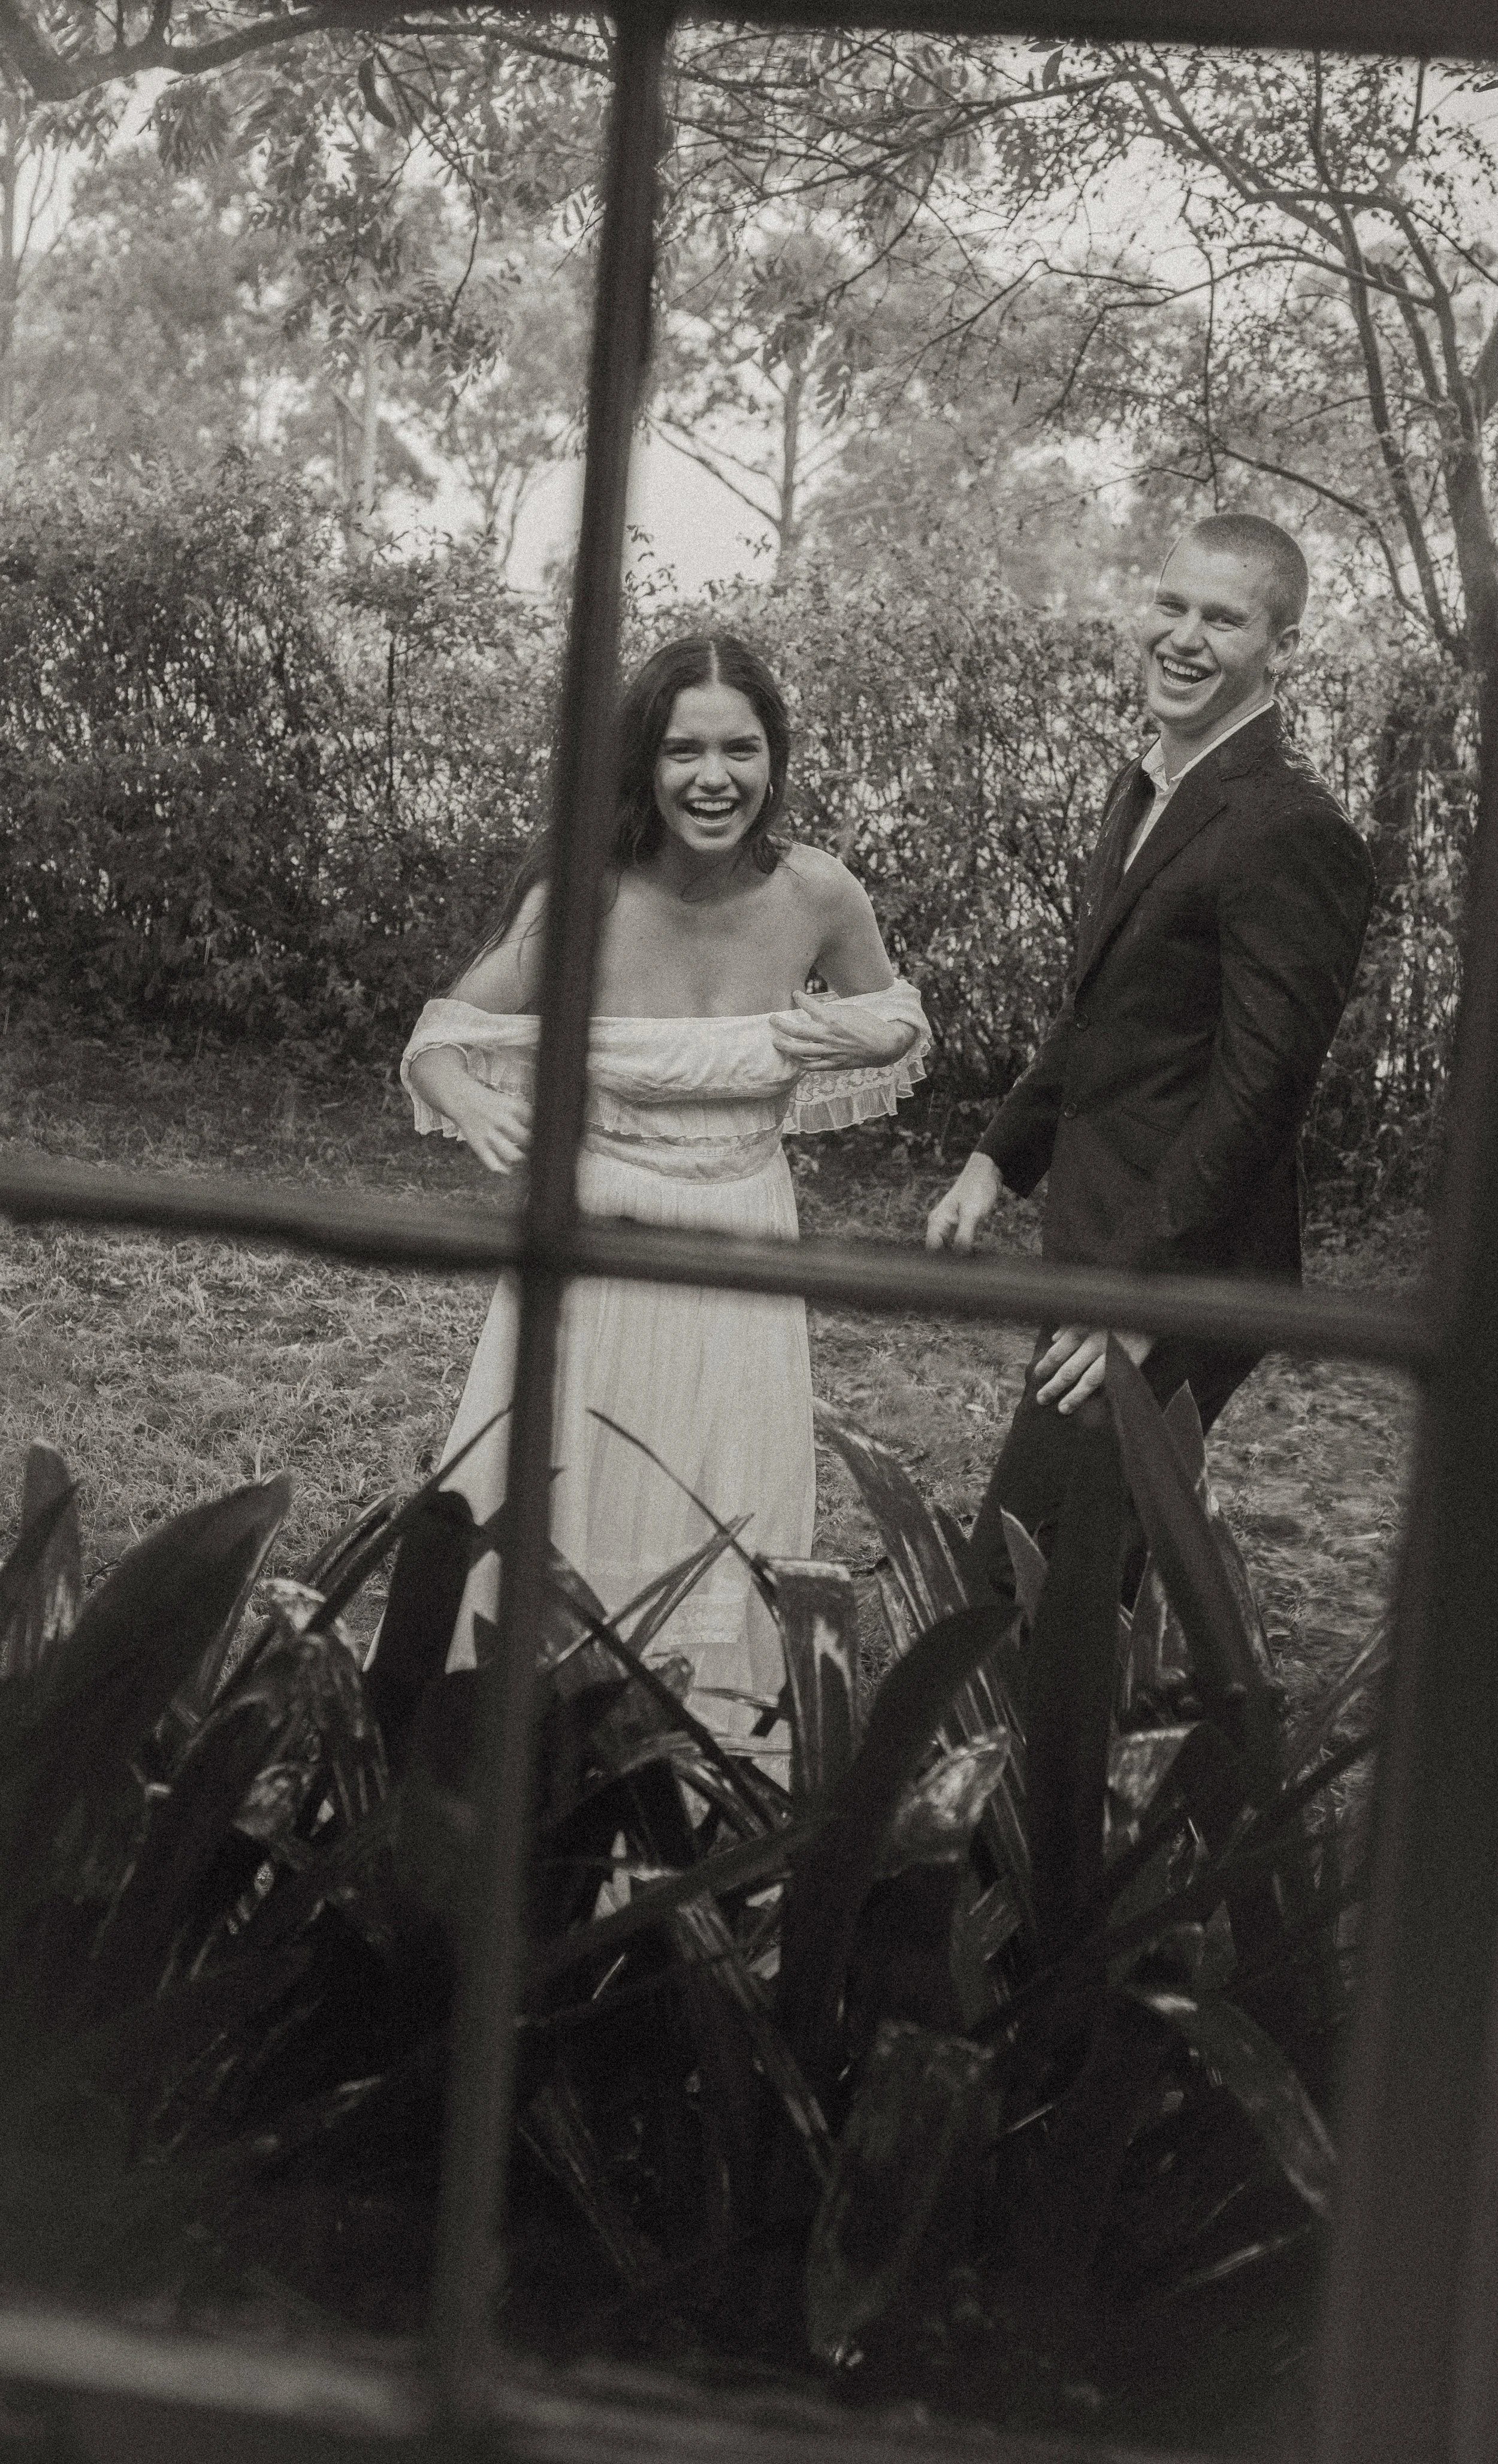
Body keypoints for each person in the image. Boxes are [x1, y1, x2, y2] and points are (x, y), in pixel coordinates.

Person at [399, 633, 931, 1742]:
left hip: (744, 1233)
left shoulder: (819, 893)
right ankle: (522, 1745)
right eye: (685, 749)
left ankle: (712, 1752)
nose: (714, 777)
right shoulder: (582, 897)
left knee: (723, 1487)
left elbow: (899, 1015)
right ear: (645, 761)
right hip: (599, 1230)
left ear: (774, 762)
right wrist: (469, 1096)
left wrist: (869, 1037)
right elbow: (446, 1032)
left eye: (742, 748)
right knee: (568, 1475)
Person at [926, 512, 1375, 1603]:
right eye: (1170, 605)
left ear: (1285, 646)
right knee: (1081, 1587)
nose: (1182, 637)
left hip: (1181, 1272)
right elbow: (1104, 1020)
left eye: (1223, 619)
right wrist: (995, 1162)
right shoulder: (1145, 789)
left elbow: (1262, 1087)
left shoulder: (1290, 830)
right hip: (1101, 1236)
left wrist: (1139, 1298)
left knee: (1022, 1596)